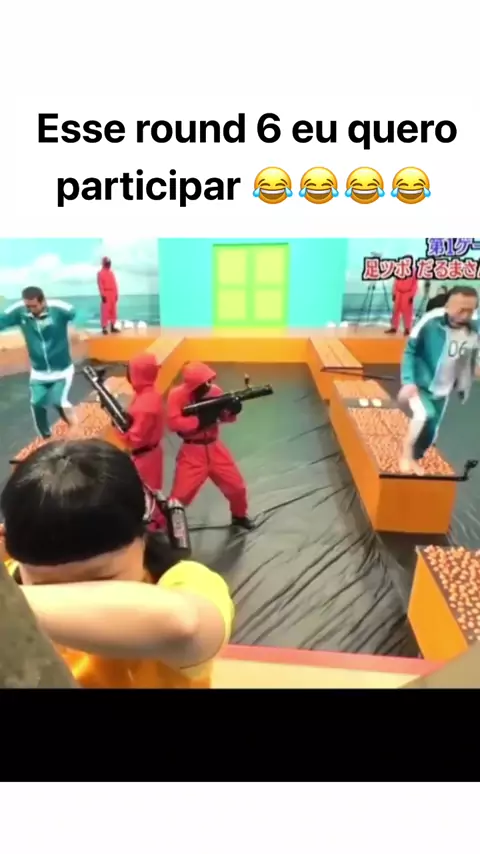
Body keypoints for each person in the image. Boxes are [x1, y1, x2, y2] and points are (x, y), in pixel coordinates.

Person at [0, 439, 235, 689]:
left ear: (143, 536)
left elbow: (186, 628)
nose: (68, 596)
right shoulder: (11, 578)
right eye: (45, 585)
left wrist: (10, 603)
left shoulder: (187, 582)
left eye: (100, 580)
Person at [398, 286, 479, 475]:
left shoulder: (475, 328)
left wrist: (464, 385)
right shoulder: (431, 321)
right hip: (421, 383)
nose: (464, 315)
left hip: (444, 388)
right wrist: (408, 380)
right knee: (423, 415)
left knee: (431, 430)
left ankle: (416, 456)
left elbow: (470, 359)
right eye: (460, 309)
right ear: (448, 306)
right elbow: (410, 350)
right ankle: (405, 453)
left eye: (470, 310)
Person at [167, 362, 253, 529]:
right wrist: (199, 421)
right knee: (179, 497)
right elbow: (173, 423)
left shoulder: (215, 392)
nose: (207, 385)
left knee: (237, 488)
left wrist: (231, 411)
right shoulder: (176, 395)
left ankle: (239, 516)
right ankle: (170, 526)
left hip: (215, 447)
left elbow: (224, 417)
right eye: (203, 383)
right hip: (192, 451)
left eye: (208, 381)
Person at [0, 286, 79, 439]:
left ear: (43, 302)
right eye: (27, 306)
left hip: (62, 370)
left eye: (34, 306)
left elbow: (74, 312)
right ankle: (46, 436)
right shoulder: (21, 311)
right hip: (39, 371)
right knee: (36, 404)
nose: (30, 310)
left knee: (58, 401)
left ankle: (74, 426)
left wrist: (72, 328)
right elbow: (2, 320)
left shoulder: (58, 309)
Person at [120, 353, 165, 530]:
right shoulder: (148, 394)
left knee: (146, 495)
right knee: (152, 491)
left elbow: (134, 440)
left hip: (145, 456)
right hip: (151, 452)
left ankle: (151, 531)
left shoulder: (144, 405)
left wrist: (118, 428)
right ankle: (157, 523)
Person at [385, 268, 418, 336]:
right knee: (396, 311)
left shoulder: (413, 271)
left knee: (407, 312)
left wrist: (412, 295)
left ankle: (407, 329)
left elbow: (415, 284)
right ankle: (394, 328)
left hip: (407, 293)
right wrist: (394, 293)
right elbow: (395, 282)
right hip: (398, 293)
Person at [97, 256, 119, 335]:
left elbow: (115, 284)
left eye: (109, 263)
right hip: (106, 293)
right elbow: (100, 285)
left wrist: (116, 294)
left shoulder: (111, 273)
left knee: (113, 310)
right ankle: (104, 328)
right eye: (107, 263)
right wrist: (102, 295)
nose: (108, 264)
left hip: (112, 293)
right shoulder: (100, 273)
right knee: (105, 311)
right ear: (104, 263)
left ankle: (112, 327)